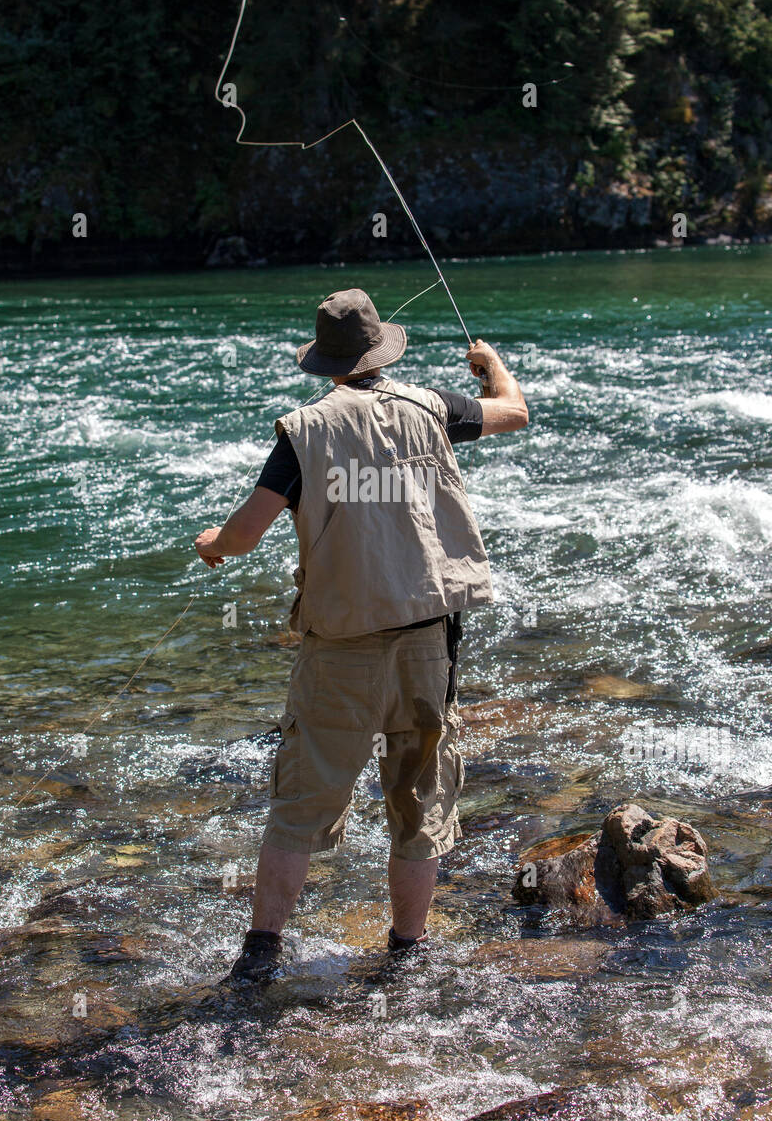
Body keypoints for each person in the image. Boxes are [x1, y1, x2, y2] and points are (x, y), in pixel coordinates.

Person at [194, 288, 528, 981]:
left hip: (343, 644)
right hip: (428, 638)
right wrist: (492, 364)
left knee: (302, 801)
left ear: (324, 362)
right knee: (420, 793)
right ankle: (407, 951)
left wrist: (213, 546)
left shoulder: (303, 432)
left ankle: (261, 955)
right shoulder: (433, 406)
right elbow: (516, 411)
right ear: (382, 349)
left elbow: (247, 532)